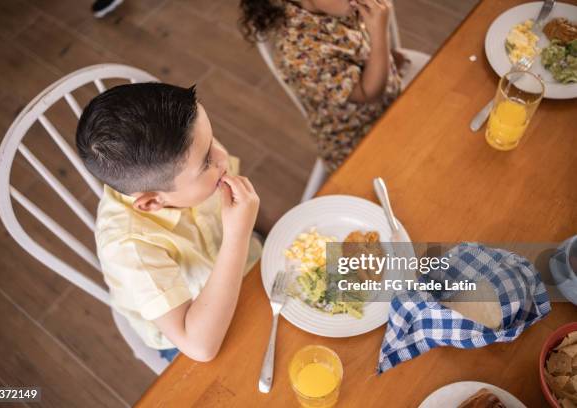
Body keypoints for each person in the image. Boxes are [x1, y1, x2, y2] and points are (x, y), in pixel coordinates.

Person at [76, 83, 261, 363]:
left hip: (249, 267)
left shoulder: (190, 153)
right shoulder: (128, 245)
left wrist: (244, 232)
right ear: (152, 203)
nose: (223, 157)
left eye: (212, 140)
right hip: (197, 330)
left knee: (347, 282)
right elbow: (200, 347)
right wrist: (238, 235)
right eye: (207, 161)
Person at [240, 0, 405, 172]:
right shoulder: (298, 52)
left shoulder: (338, 6)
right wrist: (380, 34)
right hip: (357, 138)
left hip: (392, 100)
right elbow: (369, 93)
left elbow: (356, 40)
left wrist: (384, 54)